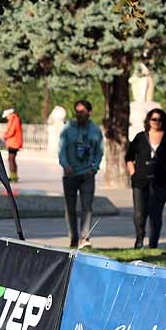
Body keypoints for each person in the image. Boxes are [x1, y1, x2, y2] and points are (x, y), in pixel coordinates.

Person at [125, 108, 166, 249]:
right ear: (149, 121)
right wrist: (133, 173)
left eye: (160, 119)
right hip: (140, 181)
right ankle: (139, 240)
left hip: (161, 182)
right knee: (139, 213)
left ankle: (153, 244)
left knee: (155, 214)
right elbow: (129, 157)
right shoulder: (140, 137)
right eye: (154, 119)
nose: (157, 122)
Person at [58, 100, 103, 249]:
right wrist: (65, 165)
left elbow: (99, 151)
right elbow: (61, 149)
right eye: (77, 112)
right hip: (70, 173)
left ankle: (85, 237)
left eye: (82, 112)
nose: (79, 115)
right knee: (70, 207)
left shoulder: (95, 130)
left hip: (87, 174)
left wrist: (94, 168)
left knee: (87, 206)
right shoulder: (68, 129)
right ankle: (73, 236)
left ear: (89, 113)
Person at [2, 108, 23, 182]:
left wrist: (5, 136)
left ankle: (13, 176)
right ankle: (14, 175)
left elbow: (11, 131)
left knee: (11, 159)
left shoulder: (14, 119)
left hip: (14, 143)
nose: (6, 118)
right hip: (13, 142)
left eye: (6, 116)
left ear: (9, 114)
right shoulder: (14, 119)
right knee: (12, 159)